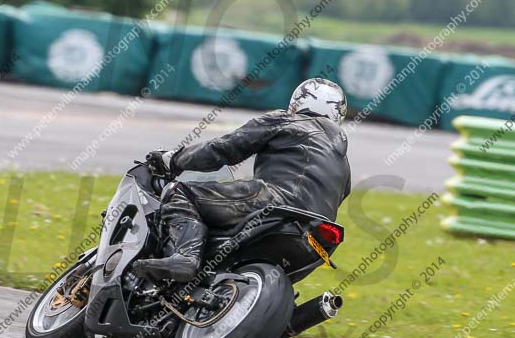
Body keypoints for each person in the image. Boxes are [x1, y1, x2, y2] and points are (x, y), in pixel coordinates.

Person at [132, 77, 352, 283]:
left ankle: (186, 257)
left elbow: (223, 148)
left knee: (181, 192)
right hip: (319, 236)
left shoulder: (286, 120)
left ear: (296, 103)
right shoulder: (343, 163)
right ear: (337, 114)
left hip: (275, 202)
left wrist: (173, 160)